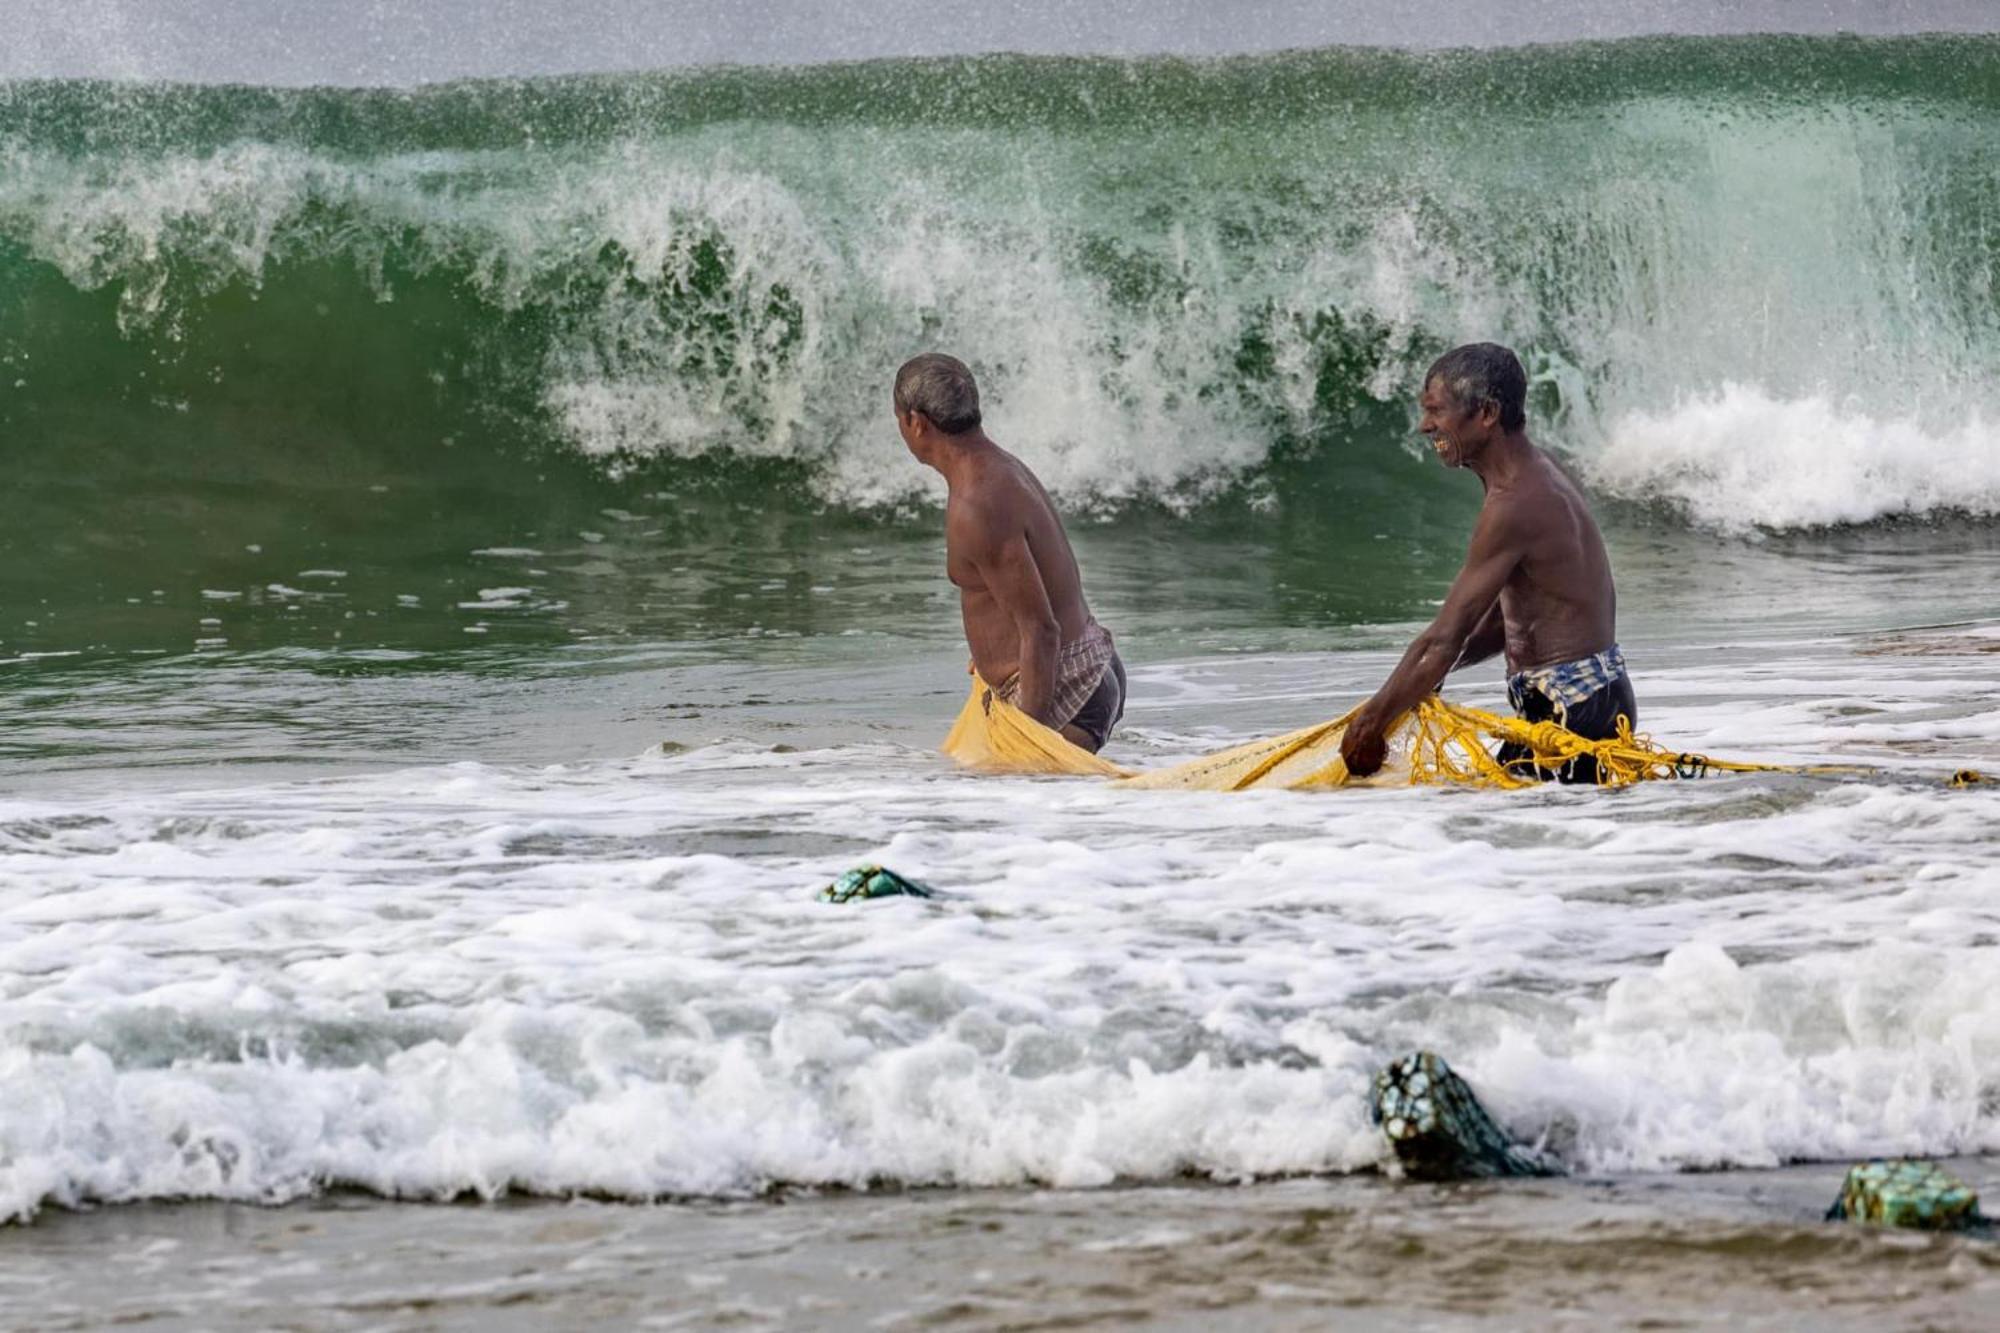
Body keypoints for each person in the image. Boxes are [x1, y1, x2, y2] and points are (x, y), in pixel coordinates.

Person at [1339, 342, 1634, 783]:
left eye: (1436, 411)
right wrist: (1429, 678)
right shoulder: (1537, 472)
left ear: (1487, 414)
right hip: (1594, 698)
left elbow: (1441, 640)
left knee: (1504, 838)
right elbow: (1511, 620)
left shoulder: (1512, 503)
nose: (1425, 426)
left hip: (1570, 712)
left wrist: (1370, 724)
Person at [894, 352, 1125, 753]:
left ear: (916, 422)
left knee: (1005, 804)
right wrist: (989, 654)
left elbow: (1041, 631)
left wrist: (1026, 738)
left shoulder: (977, 502)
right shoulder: (994, 468)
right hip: (1084, 669)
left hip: (1064, 691)